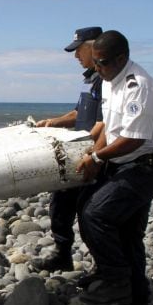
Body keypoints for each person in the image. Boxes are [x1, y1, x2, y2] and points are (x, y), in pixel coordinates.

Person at [75, 30, 153, 305]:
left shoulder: (138, 86)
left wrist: (95, 157)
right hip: (124, 163)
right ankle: (135, 302)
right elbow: (109, 126)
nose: (97, 69)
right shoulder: (109, 80)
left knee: (98, 214)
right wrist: (95, 156)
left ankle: (116, 282)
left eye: (103, 63)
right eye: (95, 63)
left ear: (122, 58)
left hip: (147, 166)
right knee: (121, 228)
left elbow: (133, 139)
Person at [31, 26, 104, 272]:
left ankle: (102, 267)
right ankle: (62, 253)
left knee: (89, 213)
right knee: (60, 203)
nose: (75, 57)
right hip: (78, 151)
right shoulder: (89, 79)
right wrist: (52, 123)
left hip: (95, 155)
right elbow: (77, 113)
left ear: (95, 47)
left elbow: (105, 124)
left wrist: (92, 155)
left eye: (79, 50)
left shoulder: (106, 80)